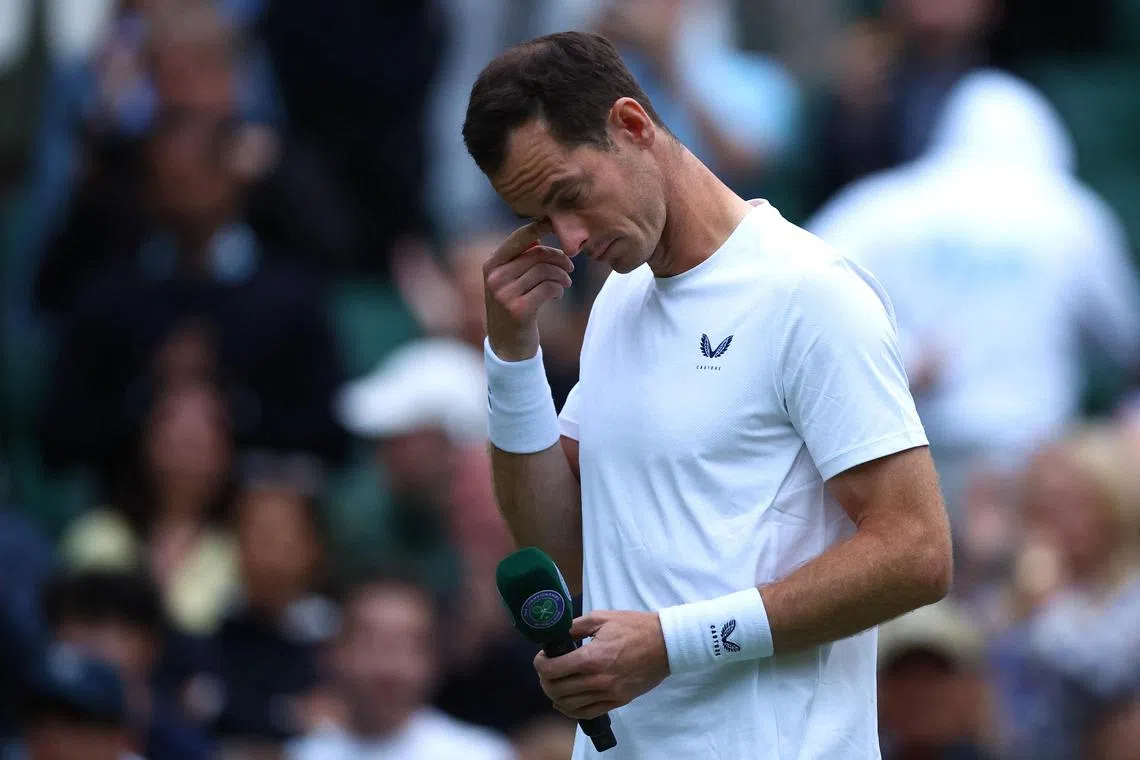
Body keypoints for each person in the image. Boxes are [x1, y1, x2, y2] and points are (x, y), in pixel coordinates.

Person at [462, 31, 952, 759]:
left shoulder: (809, 293)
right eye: (538, 218)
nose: (564, 239)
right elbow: (562, 552)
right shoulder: (617, 301)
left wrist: (671, 643)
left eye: (570, 196)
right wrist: (511, 355)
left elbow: (918, 551)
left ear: (632, 126)